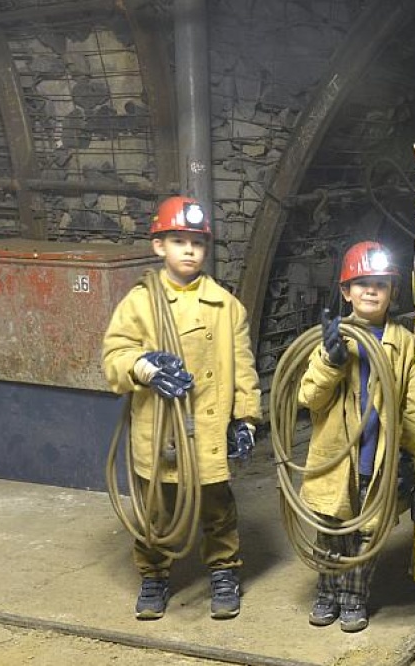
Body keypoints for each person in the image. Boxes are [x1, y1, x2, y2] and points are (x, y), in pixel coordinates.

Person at [102, 195, 262, 621]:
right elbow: (114, 355)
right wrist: (144, 367)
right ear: (159, 246)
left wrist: (246, 420)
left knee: (218, 508)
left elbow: (243, 368)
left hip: (208, 428)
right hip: (160, 432)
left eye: (197, 243)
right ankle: (154, 574)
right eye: (178, 241)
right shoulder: (139, 303)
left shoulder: (227, 306)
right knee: (156, 509)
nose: (189, 250)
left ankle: (224, 571)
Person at [298, 240, 415, 633]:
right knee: (331, 532)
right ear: (345, 291)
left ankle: (354, 597)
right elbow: (309, 398)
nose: (371, 290)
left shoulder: (404, 342)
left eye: (380, 284)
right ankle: (328, 592)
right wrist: (331, 363)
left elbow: (413, 407)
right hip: (337, 459)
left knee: (368, 535)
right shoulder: (332, 339)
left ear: (392, 291)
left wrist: (406, 453)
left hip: (378, 458)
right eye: (361, 283)